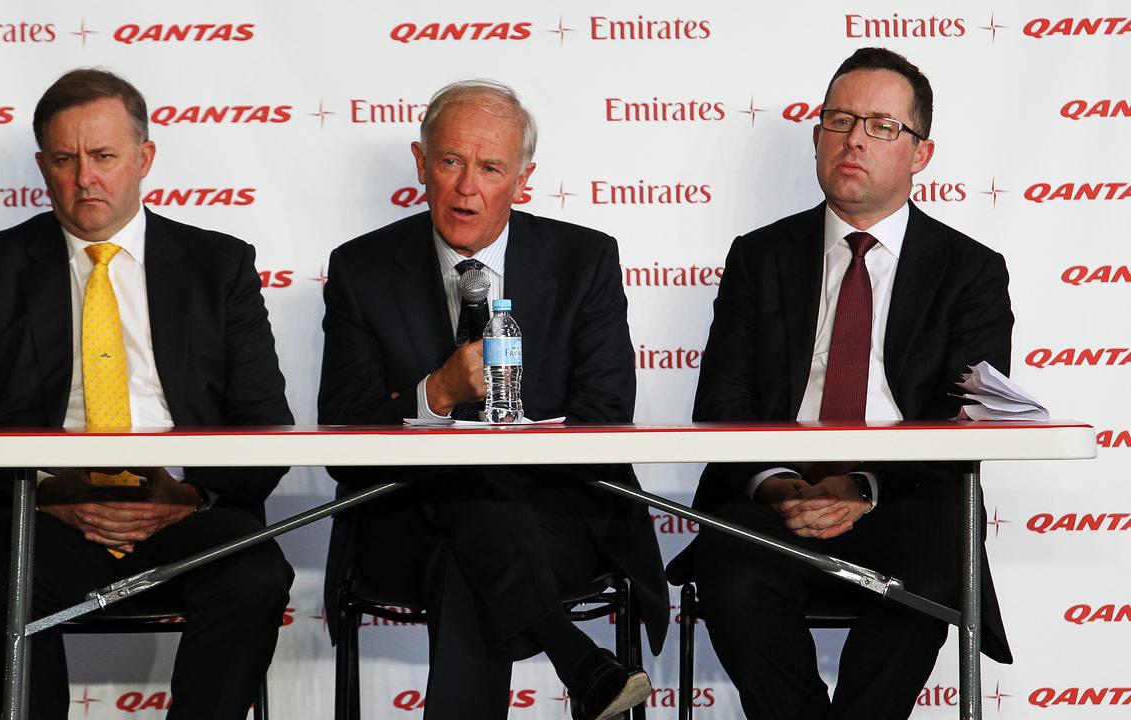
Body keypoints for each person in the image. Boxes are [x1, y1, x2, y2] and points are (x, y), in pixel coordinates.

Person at [0, 68, 294, 720]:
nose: (84, 178)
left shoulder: (219, 266)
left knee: (253, 575)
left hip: (187, 509)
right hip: (34, 516)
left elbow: (265, 424)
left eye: (103, 157)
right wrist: (46, 490)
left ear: (144, 158)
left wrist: (188, 494)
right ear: (42, 165)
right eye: (65, 160)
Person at [666, 48, 1014, 719]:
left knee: (935, 567)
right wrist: (782, 484)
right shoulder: (758, 256)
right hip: (775, 498)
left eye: (882, 126)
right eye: (839, 119)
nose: (854, 138)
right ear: (818, 136)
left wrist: (862, 487)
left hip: (905, 498)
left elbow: (965, 415)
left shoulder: (970, 270)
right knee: (731, 573)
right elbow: (723, 401)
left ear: (921, 153)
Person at [317, 79, 669, 720]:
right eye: (449, 161)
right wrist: (438, 393)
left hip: (557, 518)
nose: (466, 186)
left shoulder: (583, 259)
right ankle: (577, 658)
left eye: (491, 167)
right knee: (465, 517)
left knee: (467, 554)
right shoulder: (361, 268)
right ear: (421, 162)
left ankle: (581, 663)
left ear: (523, 178)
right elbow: (342, 438)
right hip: (403, 518)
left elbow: (607, 417)